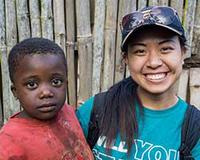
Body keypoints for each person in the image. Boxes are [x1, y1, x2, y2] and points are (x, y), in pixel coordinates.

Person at [76, 6, 200, 159]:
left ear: (183, 53)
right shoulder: (96, 110)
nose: (153, 62)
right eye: (140, 51)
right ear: (126, 59)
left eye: (166, 48)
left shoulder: (194, 129)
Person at [0, 38, 94, 160]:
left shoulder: (67, 112)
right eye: (32, 84)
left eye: (56, 82)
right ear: (15, 92)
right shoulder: (9, 141)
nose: (46, 93)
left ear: (66, 83)